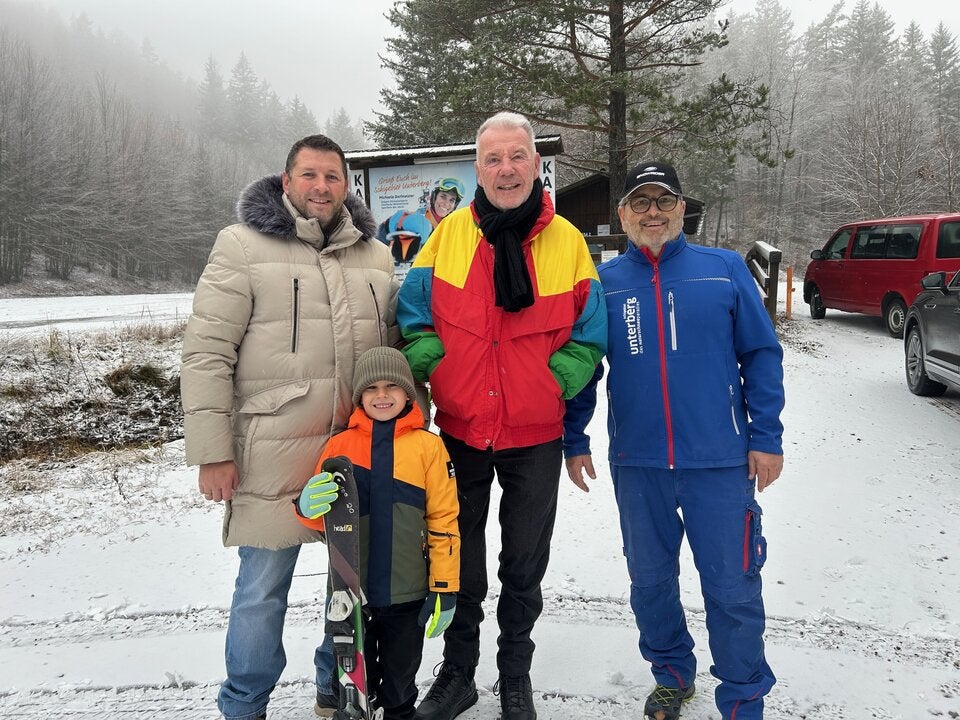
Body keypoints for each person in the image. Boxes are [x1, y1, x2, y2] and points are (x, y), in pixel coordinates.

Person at [180, 134, 399, 720]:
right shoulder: (242, 246)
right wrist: (212, 452)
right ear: (286, 181)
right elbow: (207, 354)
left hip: (354, 452)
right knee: (262, 590)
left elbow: (392, 357)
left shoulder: (376, 257)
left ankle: (336, 685)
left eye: (332, 176)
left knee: (348, 583)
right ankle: (245, 703)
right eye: (309, 175)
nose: (321, 187)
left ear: (347, 184)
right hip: (269, 450)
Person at [397, 111, 608, 720]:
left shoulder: (566, 241)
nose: (507, 169)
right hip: (461, 430)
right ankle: (459, 673)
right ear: (478, 169)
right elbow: (414, 311)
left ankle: (515, 673)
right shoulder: (449, 236)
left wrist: (554, 380)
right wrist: (432, 360)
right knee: (457, 558)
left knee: (523, 563)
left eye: (517, 156)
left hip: (534, 436)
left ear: (536, 165)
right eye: (494, 159)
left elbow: (590, 332)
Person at [563, 162, 785, 720]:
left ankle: (742, 697)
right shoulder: (606, 283)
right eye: (640, 202)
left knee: (732, 587)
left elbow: (761, 354)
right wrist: (574, 437)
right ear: (623, 214)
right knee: (651, 582)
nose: (653, 212)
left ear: (683, 208)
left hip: (719, 460)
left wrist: (766, 435)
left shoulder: (723, 270)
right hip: (638, 462)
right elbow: (584, 367)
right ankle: (672, 673)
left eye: (664, 200)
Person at [294, 346, 461, 720]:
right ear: (359, 396)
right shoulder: (339, 447)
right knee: (351, 685)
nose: (381, 395)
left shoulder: (429, 447)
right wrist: (305, 507)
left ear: (408, 393)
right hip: (351, 596)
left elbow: (444, 521)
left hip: (408, 592)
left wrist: (445, 588)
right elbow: (323, 523)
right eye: (371, 388)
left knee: (400, 682)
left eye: (391, 386)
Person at [377, 178, 466, 280]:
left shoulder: (452, 228)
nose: (446, 204)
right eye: (443, 197)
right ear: (434, 197)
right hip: (412, 281)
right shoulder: (414, 220)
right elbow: (378, 244)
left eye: (452, 200)